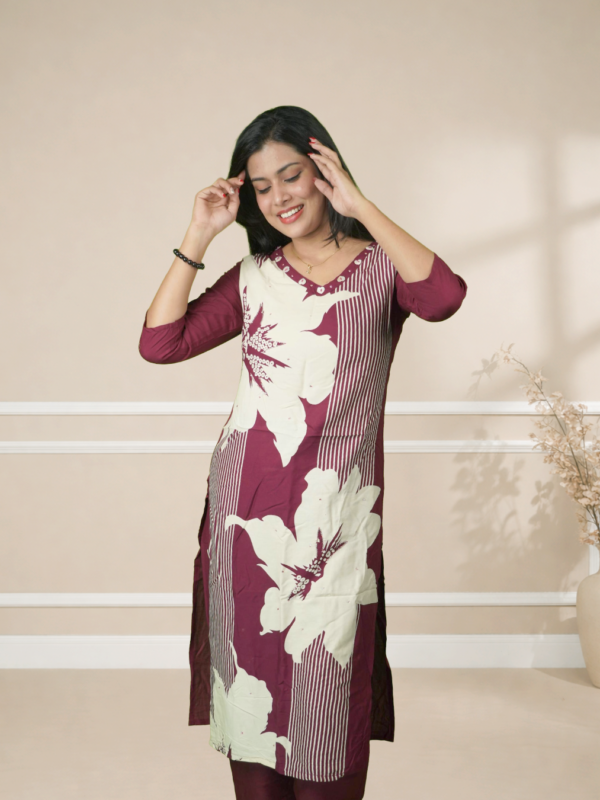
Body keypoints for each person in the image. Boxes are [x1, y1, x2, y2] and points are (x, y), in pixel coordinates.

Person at [138, 105, 468, 800]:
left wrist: (361, 205)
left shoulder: (381, 268)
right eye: (262, 186)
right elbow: (161, 344)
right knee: (252, 698)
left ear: (324, 172)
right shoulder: (254, 275)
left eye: (292, 176)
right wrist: (198, 233)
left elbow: (442, 297)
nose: (280, 197)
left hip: (337, 522)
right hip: (246, 513)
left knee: (329, 694)